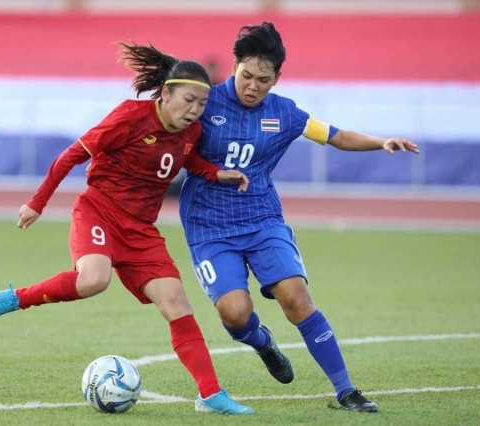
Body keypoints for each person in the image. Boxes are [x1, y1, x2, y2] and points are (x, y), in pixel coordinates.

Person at [0, 42, 254, 415]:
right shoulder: (130, 117)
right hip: (99, 211)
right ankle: (18, 298)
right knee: (94, 280)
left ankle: (210, 395)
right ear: (166, 93)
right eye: (189, 100)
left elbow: (188, 161)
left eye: (202, 104)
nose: (195, 110)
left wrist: (216, 173)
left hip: (141, 230)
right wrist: (37, 202)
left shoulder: (191, 132)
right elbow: (71, 155)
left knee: (177, 303)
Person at [179, 22, 420, 413]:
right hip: (209, 227)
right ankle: (262, 342)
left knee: (296, 298)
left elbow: (336, 135)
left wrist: (381, 142)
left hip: (262, 220)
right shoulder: (205, 103)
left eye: (263, 80)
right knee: (235, 314)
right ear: (234, 67)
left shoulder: (285, 113)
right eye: (246, 75)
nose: (252, 86)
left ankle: (346, 391)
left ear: (276, 79)